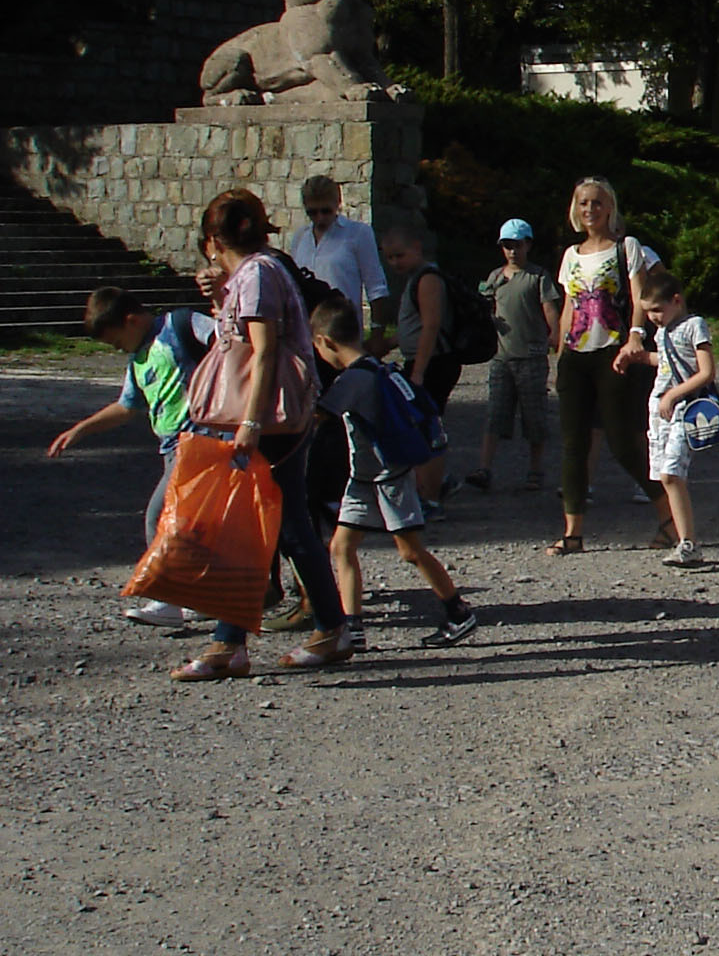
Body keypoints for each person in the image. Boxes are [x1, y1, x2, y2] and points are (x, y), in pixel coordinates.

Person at [171, 188, 351, 680]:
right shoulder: (257, 273)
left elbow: (263, 351)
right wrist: (218, 295)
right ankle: (263, 636)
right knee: (275, 524)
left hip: (269, 417)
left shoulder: (255, 276)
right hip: (274, 415)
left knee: (270, 525)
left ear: (212, 241)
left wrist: (249, 424)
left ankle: (248, 641)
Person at [311, 295, 477, 647]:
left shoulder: (351, 382)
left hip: (387, 479)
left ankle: (458, 611)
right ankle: (353, 628)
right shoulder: (377, 369)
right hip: (365, 479)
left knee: (410, 550)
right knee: (342, 546)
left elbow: (315, 418)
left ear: (326, 342)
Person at [48, 285, 216, 626]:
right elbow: (127, 406)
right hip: (172, 448)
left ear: (131, 320)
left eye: (116, 342)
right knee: (193, 526)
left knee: (160, 516)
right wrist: (82, 429)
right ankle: (202, 596)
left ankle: (169, 599)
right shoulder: (138, 358)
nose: (118, 349)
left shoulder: (180, 327)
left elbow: (230, 344)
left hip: (200, 441)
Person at [548, 177, 668, 557]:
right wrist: (560, 355)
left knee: (622, 441)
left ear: (610, 208)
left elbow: (638, 296)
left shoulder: (626, 248)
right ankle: (573, 532)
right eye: (584, 203)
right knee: (574, 444)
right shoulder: (571, 255)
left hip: (613, 352)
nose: (590, 210)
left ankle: (669, 515)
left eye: (597, 203)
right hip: (576, 354)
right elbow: (569, 308)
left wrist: (635, 336)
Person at [467, 218, 560, 493]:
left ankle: (536, 469)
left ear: (528, 245)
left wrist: (555, 335)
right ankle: (484, 468)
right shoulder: (496, 277)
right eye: (507, 246)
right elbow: (484, 307)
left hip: (531, 356)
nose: (512, 251)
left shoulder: (538, 276)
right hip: (501, 357)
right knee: (495, 414)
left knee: (535, 417)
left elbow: (549, 308)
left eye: (517, 245)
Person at [639, 266, 718, 569]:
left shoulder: (694, 325)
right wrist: (640, 358)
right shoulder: (662, 332)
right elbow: (666, 362)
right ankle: (684, 539)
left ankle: (688, 542)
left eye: (657, 309)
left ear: (676, 300)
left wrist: (673, 394)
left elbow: (706, 371)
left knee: (672, 473)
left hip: (685, 407)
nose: (653, 317)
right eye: (648, 312)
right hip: (661, 410)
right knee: (665, 475)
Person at [377, 221, 459, 508]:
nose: (394, 263)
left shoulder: (428, 279)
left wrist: (419, 372)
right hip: (423, 361)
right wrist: (387, 344)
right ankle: (431, 487)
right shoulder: (415, 279)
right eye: (389, 257)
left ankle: (431, 495)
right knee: (419, 427)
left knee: (427, 430)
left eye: (399, 255)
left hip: (433, 363)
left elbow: (430, 326)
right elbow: (412, 327)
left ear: (416, 248)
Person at [287, 175, 389, 325]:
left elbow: (376, 286)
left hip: (342, 326)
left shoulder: (358, 233)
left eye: (326, 211)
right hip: (305, 327)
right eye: (312, 213)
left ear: (337, 203)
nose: (320, 218)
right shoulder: (300, 237)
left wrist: (377, 329)